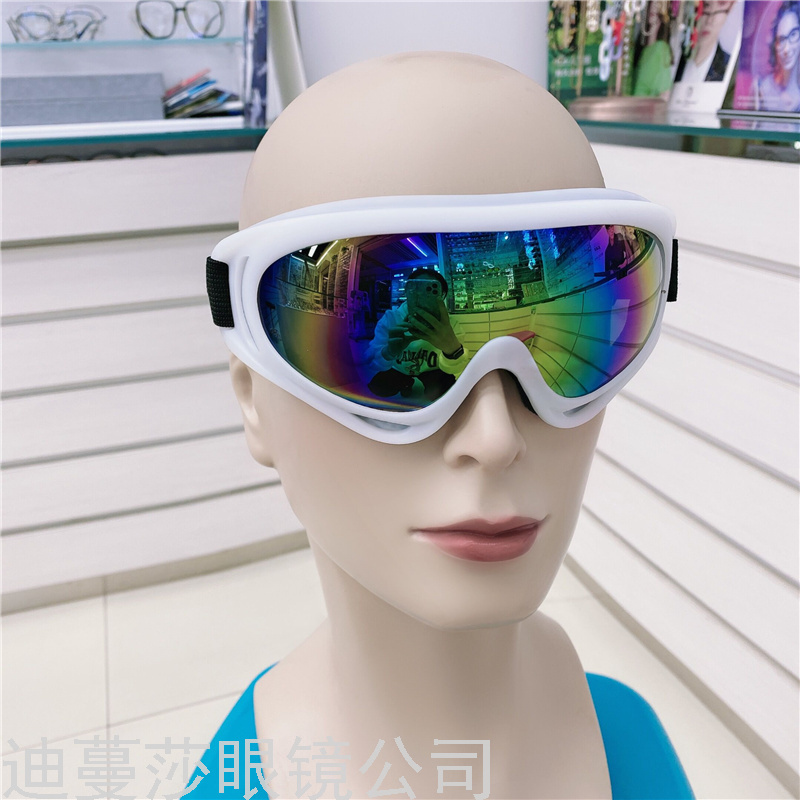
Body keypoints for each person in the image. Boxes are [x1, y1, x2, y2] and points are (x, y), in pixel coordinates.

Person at [188, 53, 692, 799]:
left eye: (566, 343)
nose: (495, 439)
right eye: (350, 364)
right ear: (253, 403)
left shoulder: (628, 727)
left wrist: (443, 348)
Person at [367, 268, 468, 402]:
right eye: (416, 289)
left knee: (446, 392)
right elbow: (371, 361)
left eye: (430, 290)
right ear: (407, 292)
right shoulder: (391, 318)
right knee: (378, 387)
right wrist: (389, 352)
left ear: (442, 295)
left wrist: (452, 351)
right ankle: (406, 383)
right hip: (399, 369)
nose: (422, 296)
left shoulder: (450, 325)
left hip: (432, 370)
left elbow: (457, 368)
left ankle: (413, 384)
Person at [674, 0, 736, 83]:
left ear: (731, 7)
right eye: (706, 5)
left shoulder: (729, 68)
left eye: (722, 4)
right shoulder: (675, 57)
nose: (709, 20)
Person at [756, 1, 800, 113]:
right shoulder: (763, 89)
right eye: (781, 40)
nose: (786, 49)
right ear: (774, 45)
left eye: (793, 35)